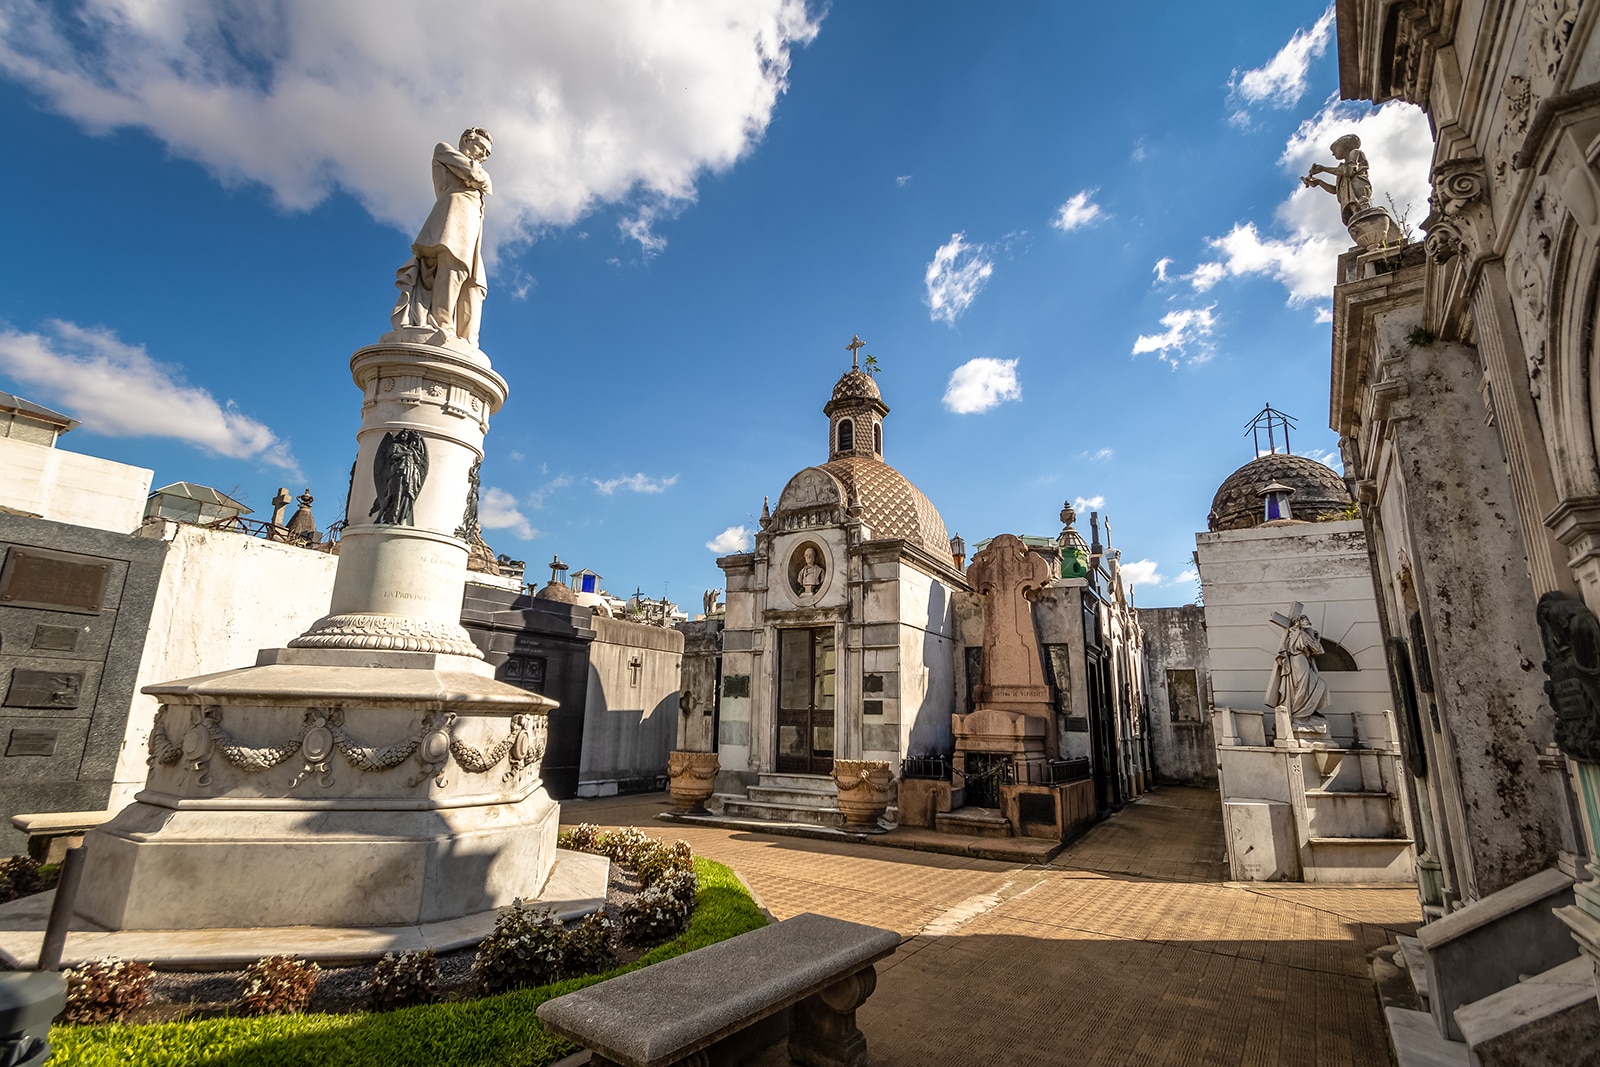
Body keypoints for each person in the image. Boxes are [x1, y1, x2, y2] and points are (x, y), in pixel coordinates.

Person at [392, 128, 493, 345]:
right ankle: (443, 325)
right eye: (482, 148)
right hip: (452, 221)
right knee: (453, 268)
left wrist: (479, 178)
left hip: (471, 231)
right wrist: (477, 176)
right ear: (467, 140)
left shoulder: (467, 164)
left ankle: (467, 340)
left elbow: (483, 181)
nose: (484, 156)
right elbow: (476, 175)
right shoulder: (444, 150)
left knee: (476, 286)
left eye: (488, 153)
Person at [1302, 133, 1373, 225]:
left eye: (1335, 148)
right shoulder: (1341, 169)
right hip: (1351, 206)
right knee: (1356, 219)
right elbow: (1336, 190)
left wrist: (1324, 169)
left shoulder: (1354, 153)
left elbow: (1349, 171)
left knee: (1363, 212)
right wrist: (1319, 182)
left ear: (1345, 144)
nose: (1333, 153)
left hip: (1359, 191)